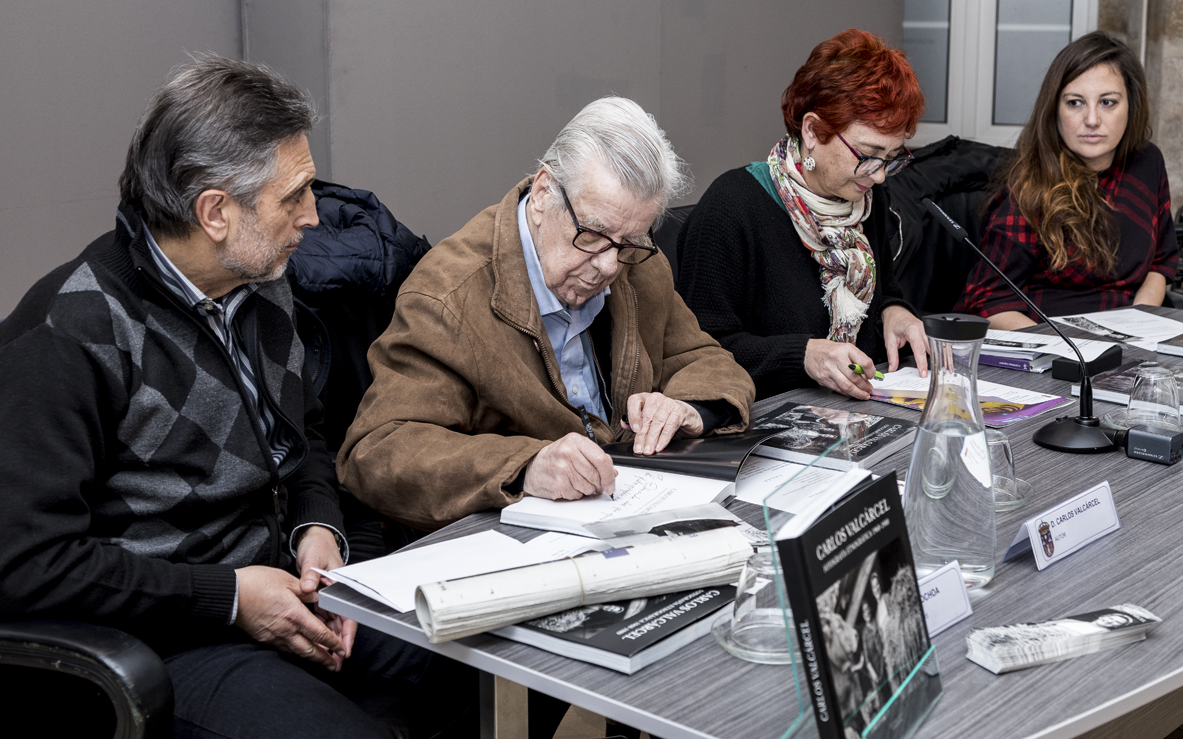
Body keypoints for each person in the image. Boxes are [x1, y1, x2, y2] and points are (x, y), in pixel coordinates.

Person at [0, 56, 469, 739]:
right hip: (172, 635)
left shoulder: (261, 282)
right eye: (295, 196)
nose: (313, 216)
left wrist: (318, 528)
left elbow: (303, 437)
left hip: (290, 587)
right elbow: (25, 562)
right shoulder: (69, 334)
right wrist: (230, 598)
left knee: (503, 654)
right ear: (216, 211)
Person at [338, 96, 755, 529]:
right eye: (593, 235)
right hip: (511, 541)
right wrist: (525, 466)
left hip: (630, 511)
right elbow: (377, 451)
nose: (609, 266)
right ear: (542, 195)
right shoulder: (447, 296)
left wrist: (688, 408)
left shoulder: (637, 263)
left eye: (630, 241)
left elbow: (706, 360)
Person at [677, 29, 929, 401]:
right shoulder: (732, 209)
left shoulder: (864, 197)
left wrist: (896, 312)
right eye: (867, 155)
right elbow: (697, 352)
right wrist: (805, 355)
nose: (877, 174)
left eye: (890, 159)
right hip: (764, 425)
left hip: (856, 414)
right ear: (812, 130)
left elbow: (885, 289)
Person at [956, 31, 1178, 327]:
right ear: (1054, 110)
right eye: (1075, 103)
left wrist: (1139, 325)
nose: (1092, 120)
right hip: (1051, 342)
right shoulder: (1030, 183)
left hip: (1129, 339)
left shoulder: (1147, 162)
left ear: (1132, 105)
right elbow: (987, 299)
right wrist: (1065, 352)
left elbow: (1161, 262)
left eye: (1108, 102)